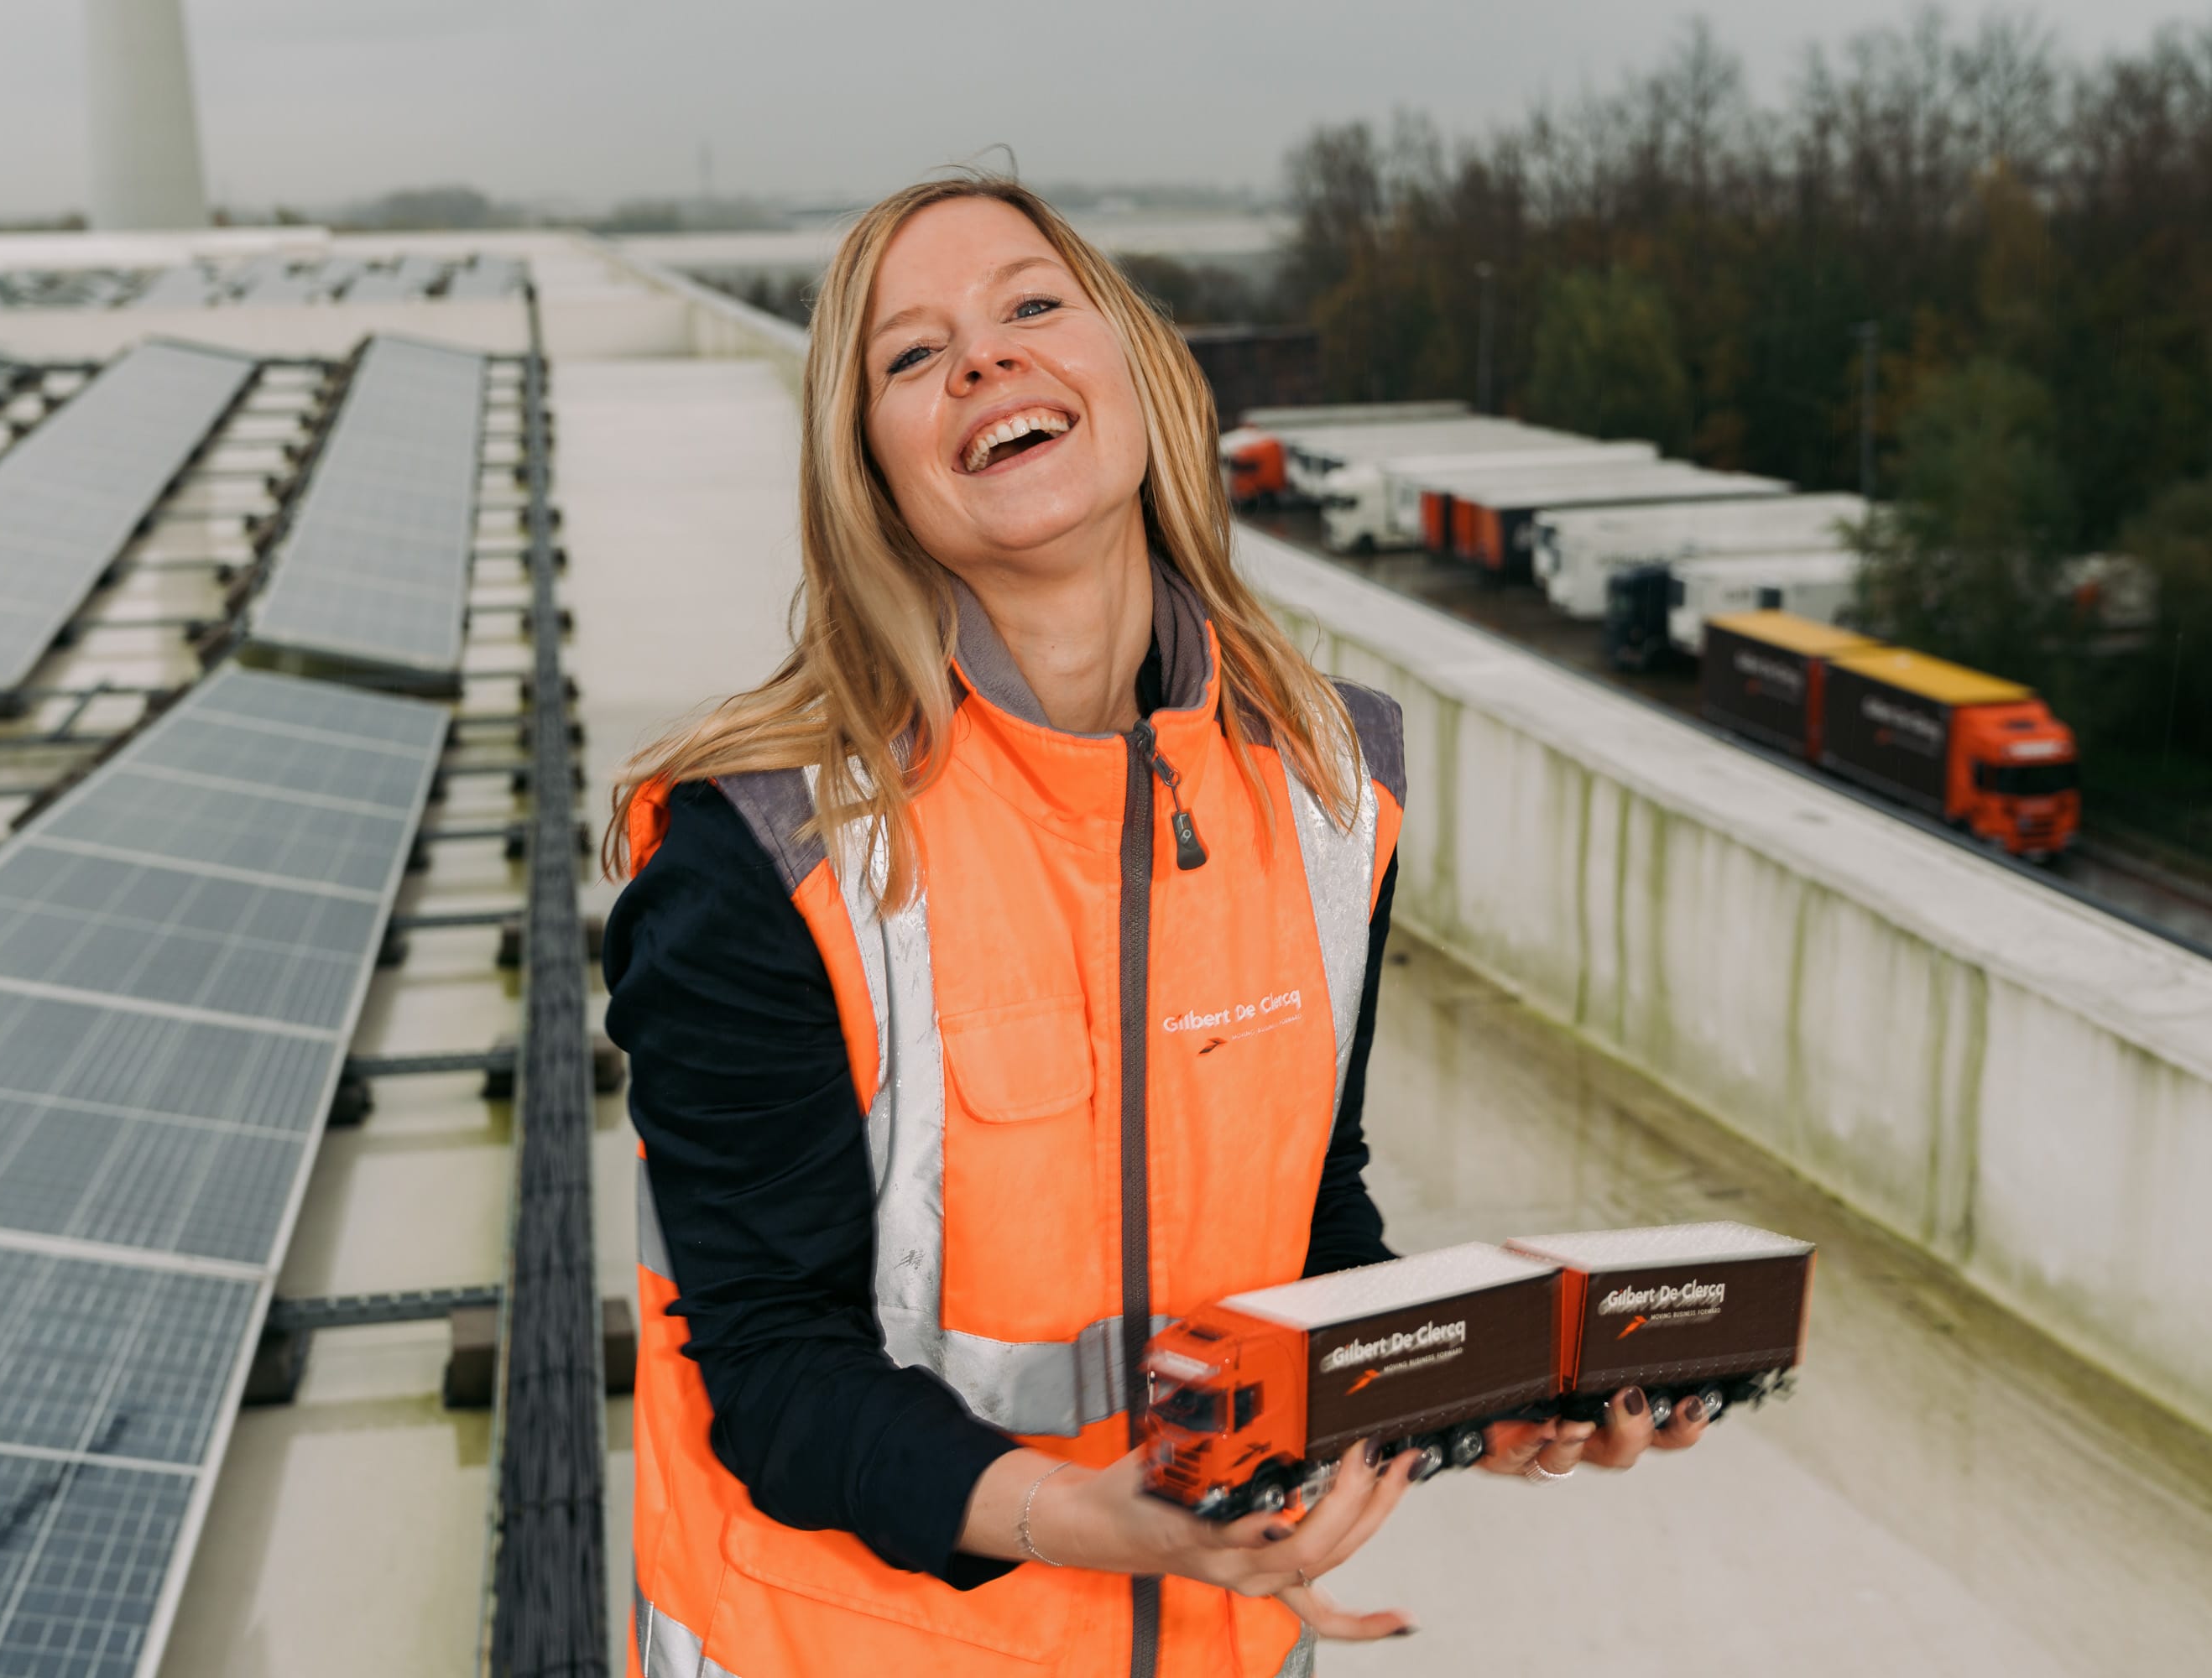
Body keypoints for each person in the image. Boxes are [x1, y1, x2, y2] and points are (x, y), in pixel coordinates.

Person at [602, 175, 1709, 1678]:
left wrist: (1458, 1399)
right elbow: (776, 1370)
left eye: (1030, 305)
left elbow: (1311, 1210)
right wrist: (1094, 1517)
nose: (985, 359)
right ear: (869, 474)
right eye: (913, 355)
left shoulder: (1326, 784)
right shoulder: (765, 854)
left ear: (1139, 369)